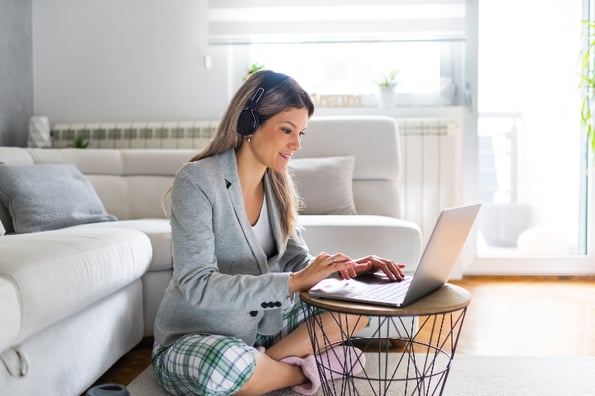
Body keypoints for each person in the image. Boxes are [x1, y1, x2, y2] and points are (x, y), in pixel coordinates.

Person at [152, 70, 406, 396]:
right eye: (287, 130)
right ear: (249, 123)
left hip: (261, 331)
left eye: (301, 133)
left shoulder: (277, 183)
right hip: (196, 337)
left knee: (354, 310)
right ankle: (299, 371)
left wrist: (345, 271)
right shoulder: (198, 180)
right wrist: (291, 283)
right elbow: (197, 284)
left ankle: (262, 369)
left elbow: (296, 260)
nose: (296, 144)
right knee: (224, 366)